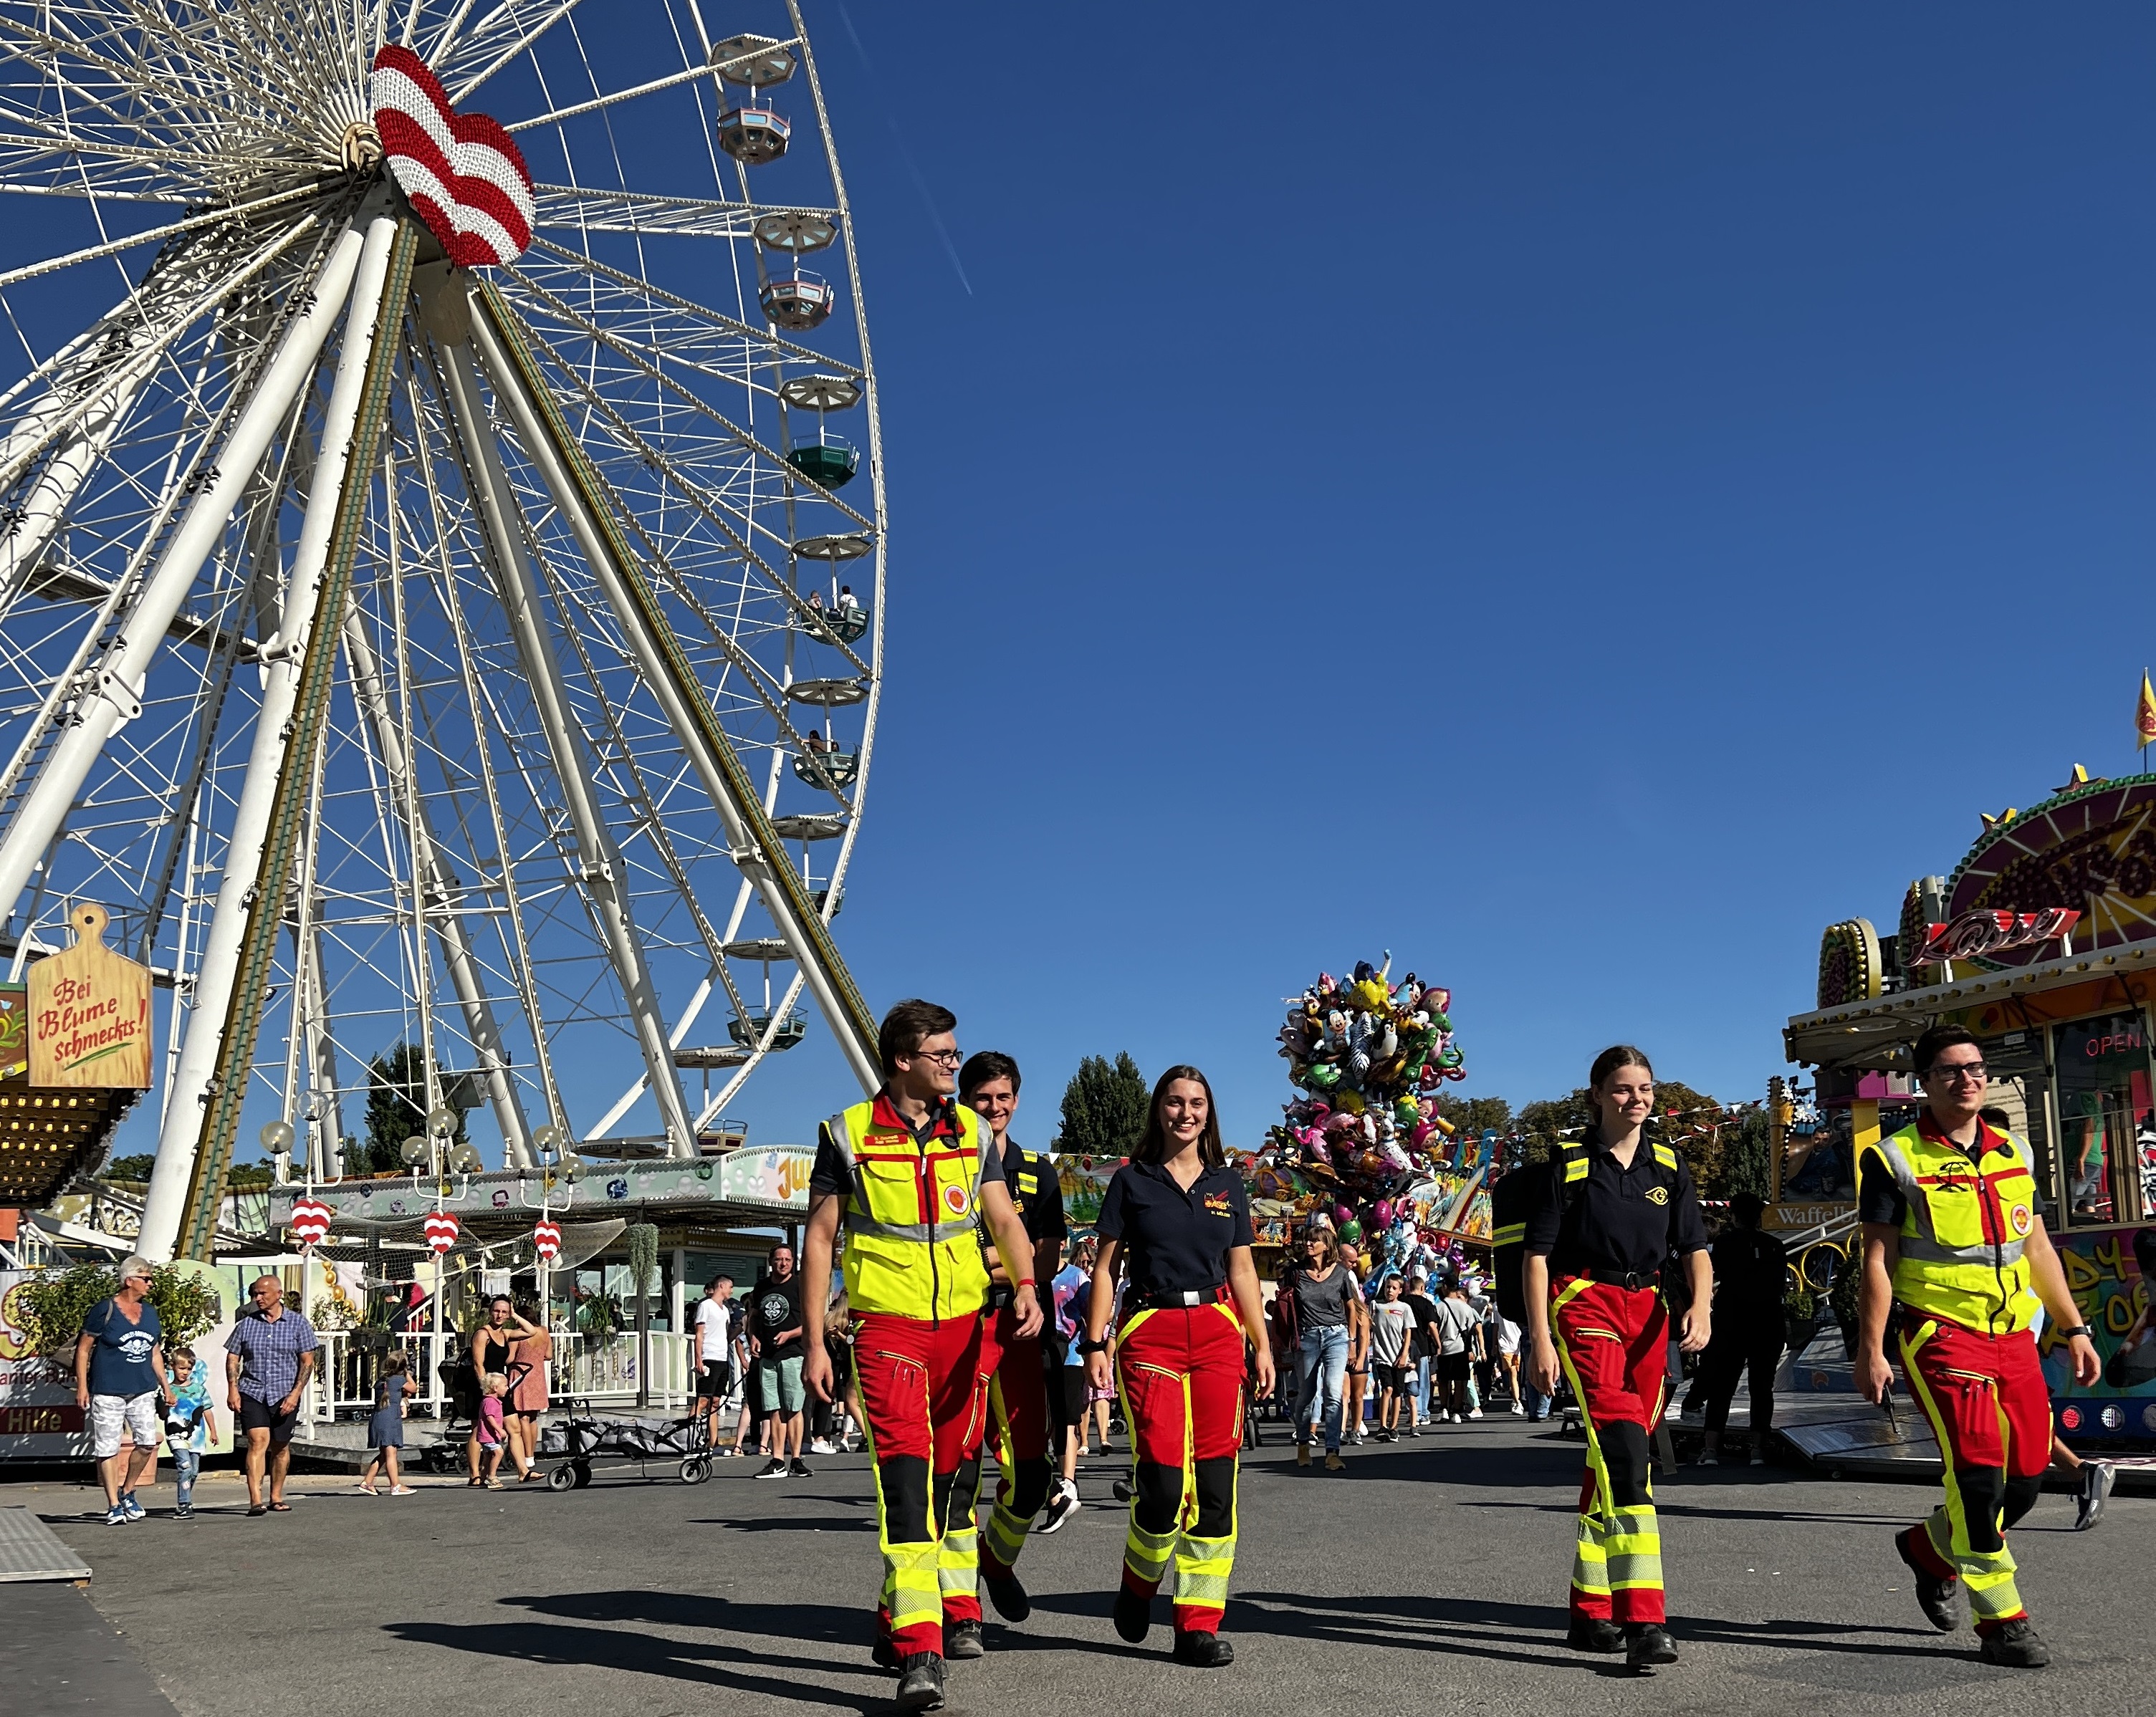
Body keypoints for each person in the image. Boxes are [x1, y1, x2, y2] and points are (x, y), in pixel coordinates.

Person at [800, 999, 1043, 1711]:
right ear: (903, 1060)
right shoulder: (844, 1133)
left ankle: (891, 1618)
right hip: (889, 1335)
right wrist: (818, 1340)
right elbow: (820, 1239)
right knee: (905, 1492)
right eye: (943, 1056)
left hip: (965, 1333)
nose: (954, 1066)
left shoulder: (970, 1130)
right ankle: (919, 1649)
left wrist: (1025, 1282)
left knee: (943, 1488)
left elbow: (1001, 1216)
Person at [1856, 1024, 2102, 1669]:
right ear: (1924, 1083)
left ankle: (1928, 1550)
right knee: (1977, 1476)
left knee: (2023, 1482)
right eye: (1949, 1070)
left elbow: (2038, 1247)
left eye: (1974, 1068)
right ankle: (2002, 1623)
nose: (1966, 1079)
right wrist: (1871, 1347)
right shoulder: (1893, 1157)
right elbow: (1876, 1260)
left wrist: (2073, 1326)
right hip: (1939, 1333)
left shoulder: (2013, 1149)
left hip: (2012, 1336)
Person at [1523, 1045, 1711, 1670]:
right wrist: (1539, 1338)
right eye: (1624, 1089)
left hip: (1649, 1314)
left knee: (1608, 1463)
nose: (1637, 1099)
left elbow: (1693, 1248)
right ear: (1597, 1094)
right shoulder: (1570, 1164)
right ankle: (1644, 1618)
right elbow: (1537, 1257)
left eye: (1646, 1089)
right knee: (1629, 1454)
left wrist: (1701, 1306)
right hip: (1584, 1305)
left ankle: (1588, 1608)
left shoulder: (1667, 1163)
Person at [1083, 1064, 1274, 1669]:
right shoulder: (1131, 1180)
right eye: (1174, 1102)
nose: (1185, 1112)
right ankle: (1138, 1584)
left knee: (1216, 1487)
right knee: (1163, 1486)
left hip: (1219, 1332)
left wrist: (1261, 1342)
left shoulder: (1228, 1183)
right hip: (1152, 1333)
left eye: (1196, 1103)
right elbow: (1106, 1268)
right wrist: (1096, 1342)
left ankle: (1196, 1624)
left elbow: (1242, 1269)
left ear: (1208, 1112)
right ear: (1158, 1110)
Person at [959, 1050, 1068, 1627]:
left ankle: (995, 1561)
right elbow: (1020, 1253)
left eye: (1003, 1097)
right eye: (983, 1097)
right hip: (959, 1327)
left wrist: (975, 1262)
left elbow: (1046, 1260)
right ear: (964, 1098)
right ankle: (957, 1606)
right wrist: (1009, 1256)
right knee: (958, 1469)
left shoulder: (1037, 1171)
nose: (994, 1107)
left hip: (1021, 1328)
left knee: (1031, 1476)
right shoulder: (950, 1163)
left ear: (1017, 1100)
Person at [1692, 1191, 1788, 1466]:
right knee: (1762, 1387)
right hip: (1767, 1320)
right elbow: (1779, 1284)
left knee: (1722, 1386)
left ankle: (1711, 1450)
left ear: (1733, 1216)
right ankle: (1758, 1448)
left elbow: (1717, 1273)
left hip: (1731, 1319)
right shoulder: (1775, 1245)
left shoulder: (1724, 1242)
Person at [75, 1254, 169, 1526]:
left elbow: (154, 1351)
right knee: (107, 1446)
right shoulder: (105, 1310)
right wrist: (83, 1386)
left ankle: (127, 1491)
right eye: (146, 1279)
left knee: (147, 1443)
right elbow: (83, 1349)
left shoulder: (149, 1313)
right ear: (130, 1281)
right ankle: (113, 1505)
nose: (151, 1284)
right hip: (108, 1389)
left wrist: (165, 1385)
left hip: (142, 1389)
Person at [224, 1274, 319, 1516]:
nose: (257, 1298)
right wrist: (233, 1389)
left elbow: (308, 1362)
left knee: (280, 1446)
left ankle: (276, 1495)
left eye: (262, 1294)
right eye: (255, 1294)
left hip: (284, 1393)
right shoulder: (246, 1324)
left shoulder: (298, 1324)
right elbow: (233, 1356)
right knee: (257, 1442)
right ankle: (255, 1499)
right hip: (252, 1391)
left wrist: (295, 1394)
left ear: (278, 1294)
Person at [1280, 1224, 1353, 1468]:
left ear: (1327, 1246)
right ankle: (1303, 1443)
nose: (1308, 1244)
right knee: (1307, 1396)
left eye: (1314, 1241)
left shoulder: (1341, 1273)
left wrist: (1352, 1340)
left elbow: (1351, 1307)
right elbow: (1284, 1303)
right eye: (1307, 1240)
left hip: (1336, 1335)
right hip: (1307, 1337)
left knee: (1333, 1393)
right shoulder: (1295, 1272)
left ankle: (1332, 1452)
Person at [1041, 1235, 1094, 1531]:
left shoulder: (1076, 1277)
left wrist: (1092, 1349)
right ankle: (1054, 1478)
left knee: (1067, 1420)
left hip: (1071, 1355)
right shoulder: (1035, 1276)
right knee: (1045, 1419)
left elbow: (1094, 1311)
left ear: (1062, 1244)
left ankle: (1069, 1481)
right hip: (1040, 1353)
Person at [749, 1246, 809, 1479]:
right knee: (774, 1408)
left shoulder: (800, 1286)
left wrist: (790, 1334)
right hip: (768, 1357)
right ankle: (777, 1460)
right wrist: (753, 1336)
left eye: (787, 1259)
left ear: (793, 1262)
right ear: (771, 1261)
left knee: (793, 1407)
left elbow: (814, 1322)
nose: (783, 1263)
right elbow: (754, 1317)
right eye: (779, 1259)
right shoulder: (762, 1287)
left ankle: (796, 1459)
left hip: (794, 1353)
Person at [162, 1344, 215, 1521]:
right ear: (173, 1367)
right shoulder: (168, 1390)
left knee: (193, 1471)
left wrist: (213, 1432)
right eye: (181, 1368)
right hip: (176, 1435)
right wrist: (165, 1404)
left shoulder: (199, 1390)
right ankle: (183, 1505)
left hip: (196, 1436)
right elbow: (162, 1414)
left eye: (189, 1369)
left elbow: (207, 1410)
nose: (185, 1372)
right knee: (184, 1466)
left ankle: (187, 1498)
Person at [360, 1352, 416, 1496]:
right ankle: (395, 1485)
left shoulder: (382, 1380)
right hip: (389, 1419)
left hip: (378, 1418)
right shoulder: (399, 1380)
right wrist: (407, 1374)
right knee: (391, 1453)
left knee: (384, 1454)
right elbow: (413, 1388)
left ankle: (368, 1482)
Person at [507, 1300, 552, 1477]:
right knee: (533, 1418)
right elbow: (548, 1355)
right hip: (537, 1376)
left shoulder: (519, 1335)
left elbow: (510, 1359)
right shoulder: (544, 1332)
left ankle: (525, 1456)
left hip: (520, 1375)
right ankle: (531, 1455)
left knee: (523, 1418)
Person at [1369, 1276, 1417, 1441]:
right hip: (1382, 1355)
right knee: (1386, 1389)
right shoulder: (1376, 1306)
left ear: (1400, 1291)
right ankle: (1382, 1425)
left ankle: (1393, 1426)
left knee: (1398, 1392)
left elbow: (1408, 1332)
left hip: (1399, 1356)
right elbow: (1369, 1327)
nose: (1390, 1290)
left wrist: (1404, 1355)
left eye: (1394, 1288)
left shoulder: (1404, 1308)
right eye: (1388, 1287)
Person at [694, 1275, 739, 1449]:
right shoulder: (706, 1305)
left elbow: (726, 1335)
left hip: (722, 1358)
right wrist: (699, 1359)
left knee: (715, 1401)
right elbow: (699, 1334)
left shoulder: (725, 1310)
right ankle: (688, 1436)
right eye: (730, 1287)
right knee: (703, 1400)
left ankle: (713, 1443)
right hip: (709, 1357)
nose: (731, 1291)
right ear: (721, 1285)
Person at [1434, 1279, 1480, 1423]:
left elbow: (1434, 1327)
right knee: (1460, 1381)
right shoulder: (1466, 1308)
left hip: (1444, 1348)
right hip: (1461, 1349)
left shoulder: (1439, 1307)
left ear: (1446, 1287)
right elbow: (1472, 1329)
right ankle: (1457, 1411)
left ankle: (1444, 1408)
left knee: (1444, 1380)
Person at [1339, 1243, 1372, 1442]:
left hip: (1360, 1354)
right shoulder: (1338, 1309)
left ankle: (1356, 1429)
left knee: (1358, 1397)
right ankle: (1341, 1430)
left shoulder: (1361, 1311)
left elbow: (1364, 1336)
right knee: (1344, 1394)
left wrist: (1360, 1358)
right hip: (1342, 1354)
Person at [476, 1372, 510, 1488]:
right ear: (495, 1388)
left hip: (490, 1436)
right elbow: (489, 1417)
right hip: (488, 1435)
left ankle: (482, 1478)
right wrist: (500, 1430)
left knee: (488, 1457)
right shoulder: (490, 1402)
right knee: (499, 1452)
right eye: (505, 1386)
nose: (508, 1388)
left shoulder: (491, 1401)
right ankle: (492, 1476)